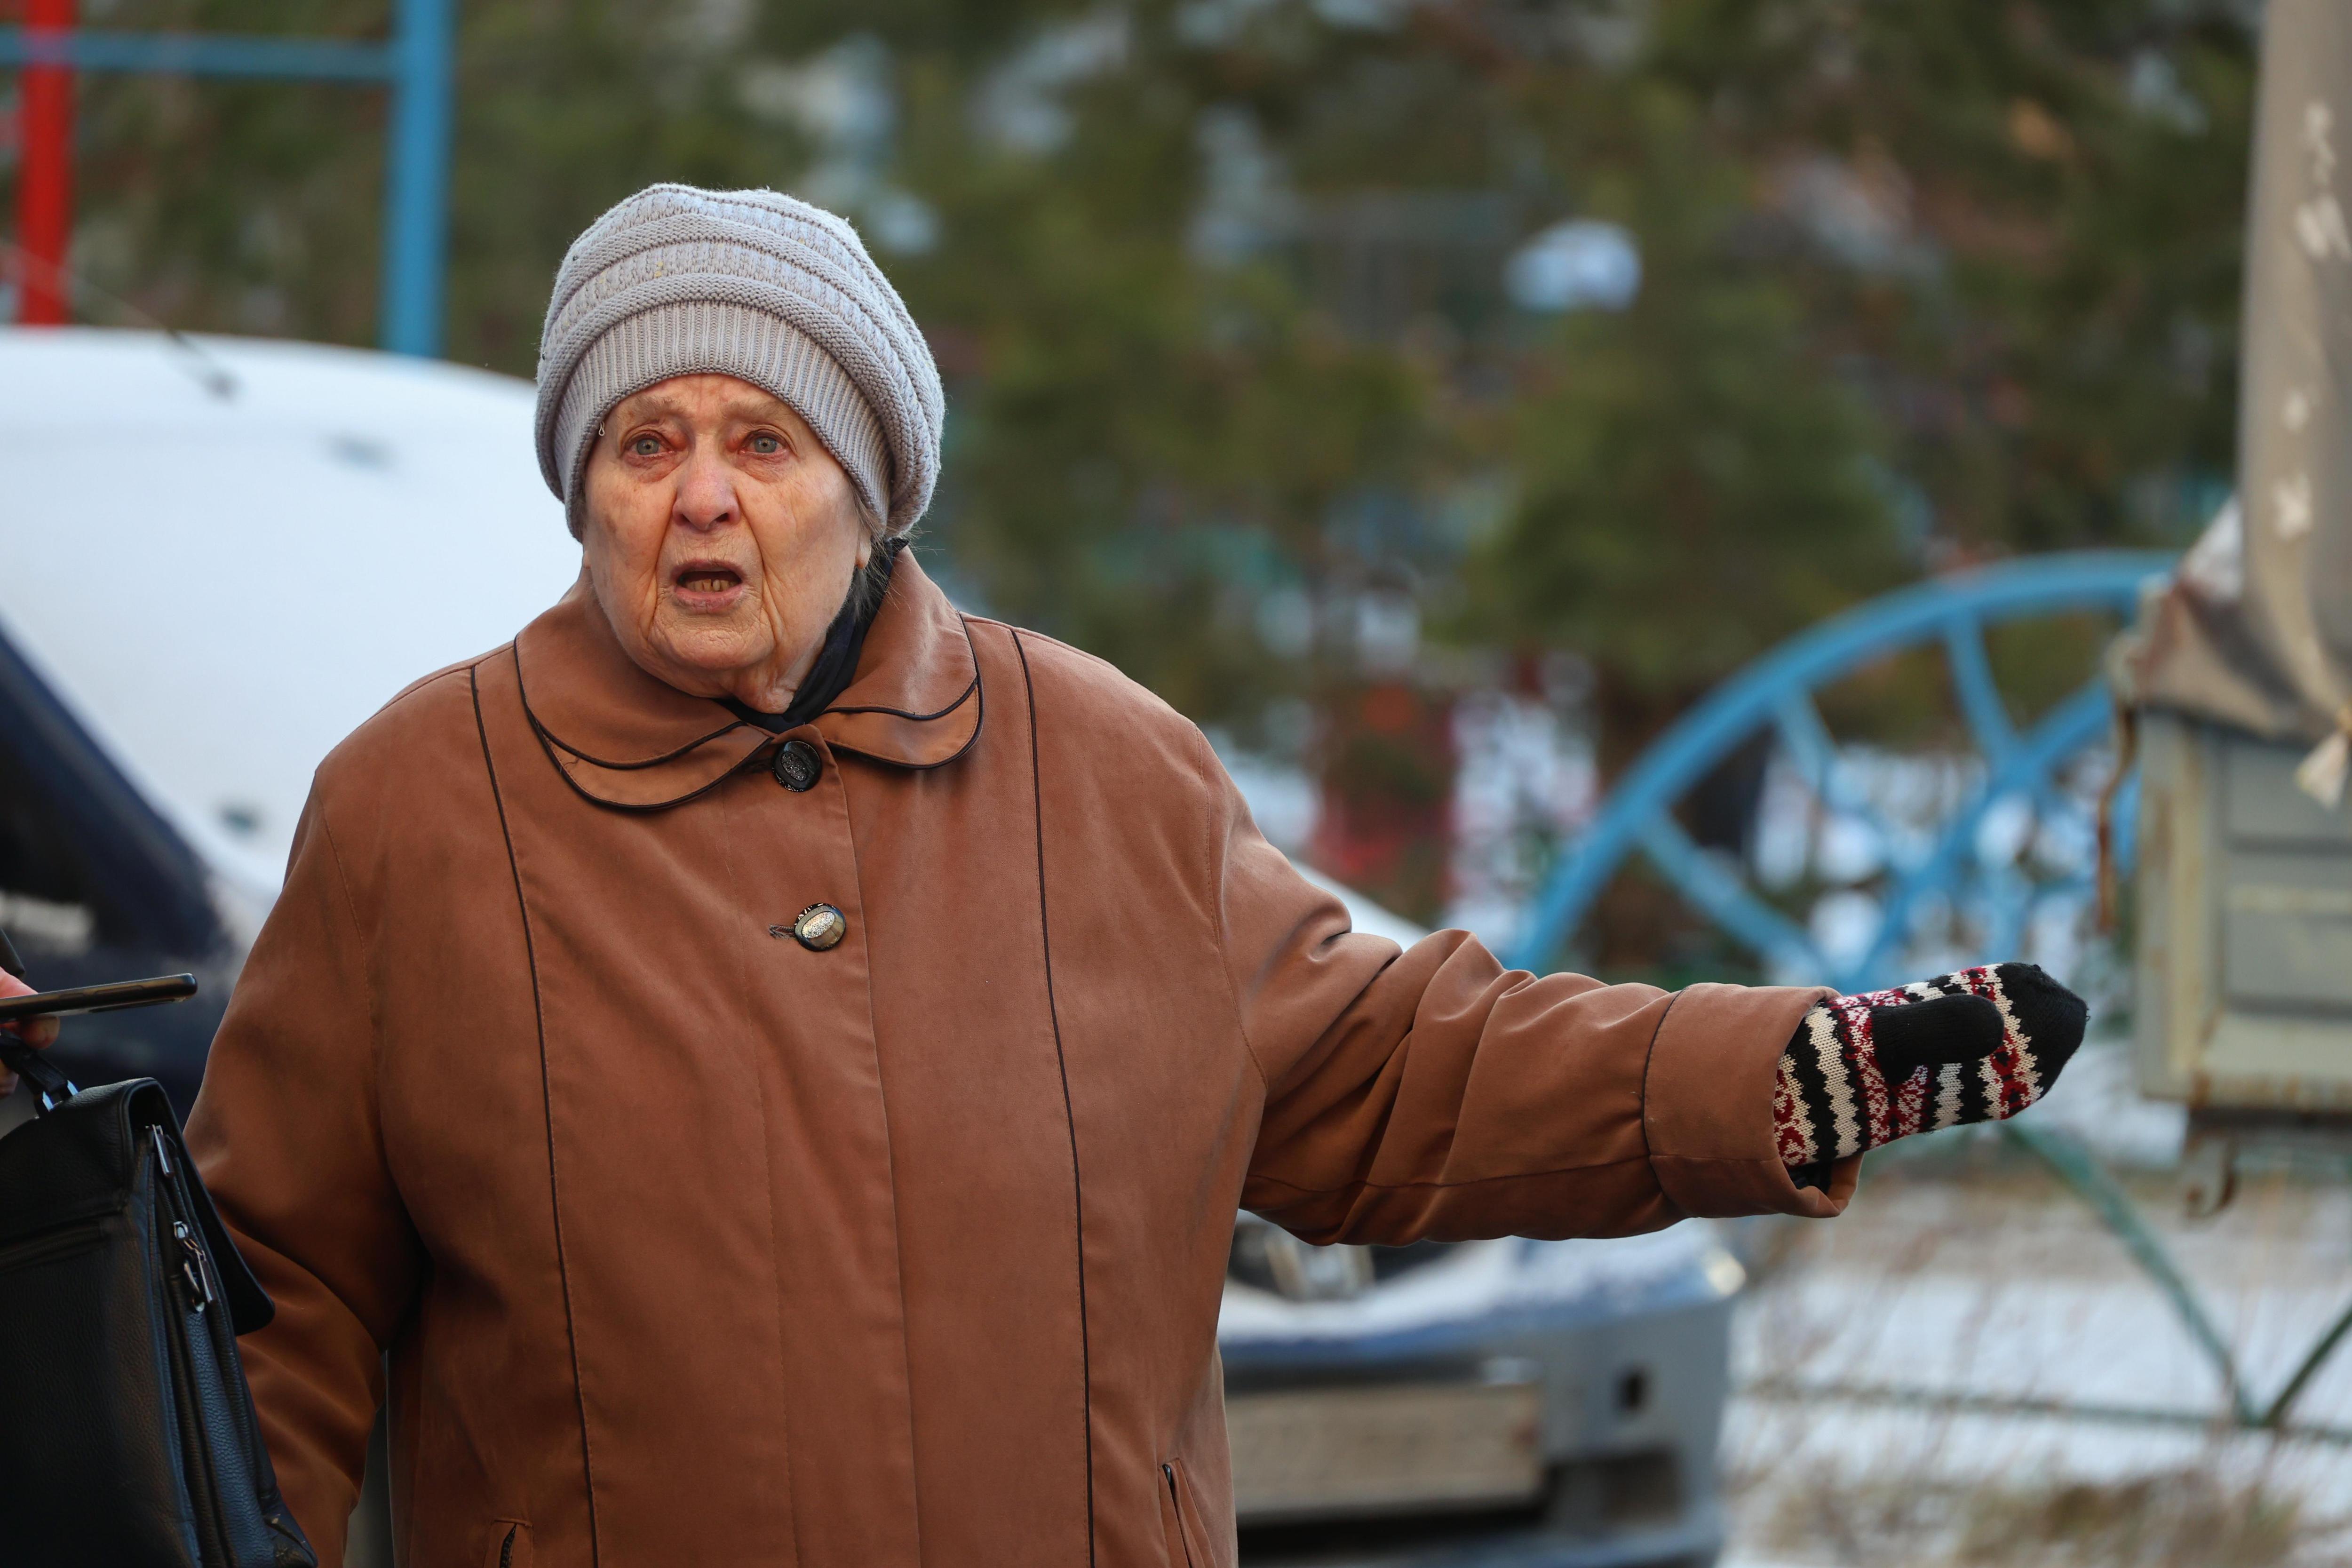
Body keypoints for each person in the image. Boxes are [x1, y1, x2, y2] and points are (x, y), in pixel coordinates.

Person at [159, 184, 2085, 1567]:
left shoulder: (1098, 769)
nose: (704, 495)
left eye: (765, 439)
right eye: (645, 441)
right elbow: (270, 1304)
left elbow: (1396, 1072)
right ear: (584, 490)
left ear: (869, 488)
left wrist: (1772, 1078)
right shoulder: (425, 809)